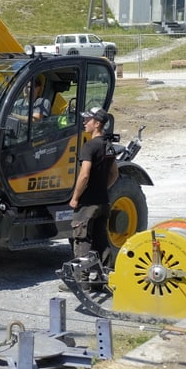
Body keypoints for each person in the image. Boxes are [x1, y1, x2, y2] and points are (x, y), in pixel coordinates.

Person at [63, 106, 119, 288]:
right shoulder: (109, 146)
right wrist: (102, 188)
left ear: (97, 124)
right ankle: (103, 277)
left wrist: (75, 197)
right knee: (101, 239)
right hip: (103, 201)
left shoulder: (89, 146)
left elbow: (84, 174)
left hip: (88, 203)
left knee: (82, 239)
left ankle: (81, 280)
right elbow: (114, 174)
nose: (85, 123)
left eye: (88, 120)